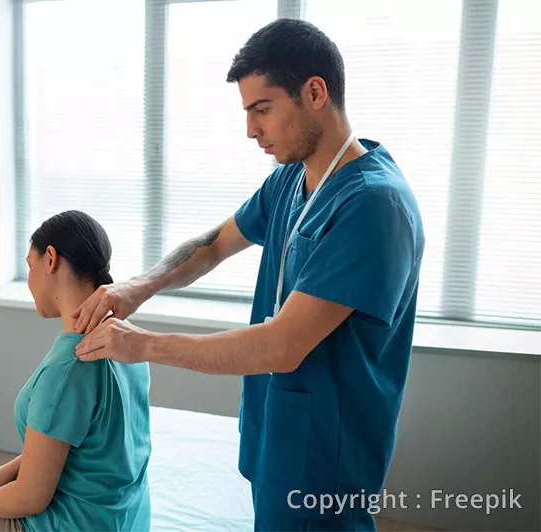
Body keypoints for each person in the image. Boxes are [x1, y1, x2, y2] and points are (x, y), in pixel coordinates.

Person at [74, 18, 425, 532]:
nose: (250, 129)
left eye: (262, 109)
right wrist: (137, 286)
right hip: (277, 428)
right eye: (247, 112)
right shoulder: (290, 180)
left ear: (314, 92)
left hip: (327, 453)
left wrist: (144, 345)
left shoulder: (373, 205)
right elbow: (214, 244)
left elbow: (281, 347)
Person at [0, 210, 152, 532]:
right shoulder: (130, 341)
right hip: (125, 519)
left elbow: (29, 499)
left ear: (50, 259)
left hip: (76, 525)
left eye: (30, 265)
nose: (28, 278)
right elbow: (91, 444)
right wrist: (17, 466)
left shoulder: (70, 366)